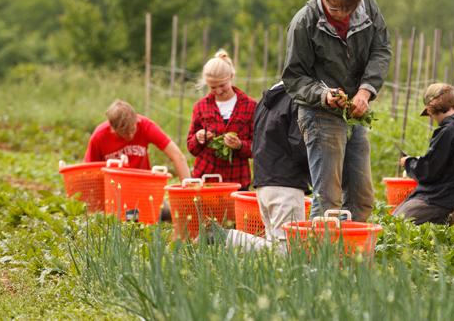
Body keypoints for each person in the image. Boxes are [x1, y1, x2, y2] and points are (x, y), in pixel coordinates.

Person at [282, 0, 391, 222]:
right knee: (329, 197)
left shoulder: (369, 8)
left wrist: (365, 91)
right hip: (319, 114)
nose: (340, 13)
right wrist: (323, 95)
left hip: (354, 111)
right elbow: (293, 77)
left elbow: (381, 50)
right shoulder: (304, 23)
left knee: (362, 195)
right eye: (334, 7)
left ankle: (353, 255)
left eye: (347, 8)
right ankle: (322, 257)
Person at [221, 81, 311, 251]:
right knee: (288, 252)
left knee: (275, 253)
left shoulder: (267, 99)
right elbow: (300, 147)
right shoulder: (296, 99)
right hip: (286, 184)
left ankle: (229, 237)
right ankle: (228, 237)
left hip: (264, 184)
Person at [394, 83, 454, 225]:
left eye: (430, 113)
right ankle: (451, 218)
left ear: (432, 107)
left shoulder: (448, 132)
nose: (431, 118)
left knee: (395, 224)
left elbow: (428, 170)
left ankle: (444, 218)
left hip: (435, 199)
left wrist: (408, 163)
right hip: (452, 198)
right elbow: (445, 164)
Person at [187, 49, 256, 190]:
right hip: (206, 179)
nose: (218, 91)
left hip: (237, 180)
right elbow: (191, 147)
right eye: (213, 87)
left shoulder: (250, 106)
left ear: (231, 76)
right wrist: (199, 138)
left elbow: (258, 148)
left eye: (222, 85)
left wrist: (239, 145)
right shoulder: (201, 107)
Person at [84, 99, 190, 179]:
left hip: (142, 184)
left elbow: (177, 156)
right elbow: (88, 172)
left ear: (137, 120)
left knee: (164, 209)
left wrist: (188, 193)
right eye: (125, 133)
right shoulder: (99, 136)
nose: (130, 135)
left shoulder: (145, 126)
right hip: (112, 188)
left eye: (133, 129)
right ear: (113, 129)